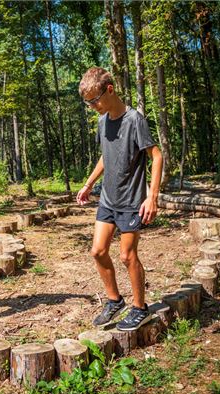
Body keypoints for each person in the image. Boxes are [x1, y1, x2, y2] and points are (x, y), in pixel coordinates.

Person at [76, 67, 163, 331]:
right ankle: (114, 300)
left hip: (131, 201)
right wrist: (89, 183)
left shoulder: (134, 119)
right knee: (98, 251)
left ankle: (140, 309)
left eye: (94, 100)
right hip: (108, 199)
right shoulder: (103, 122)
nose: (92, 106)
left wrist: (152, 197)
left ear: (110, 90)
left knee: (127, 256)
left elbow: (156, 156)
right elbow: (106, 155)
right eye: (88, 102)